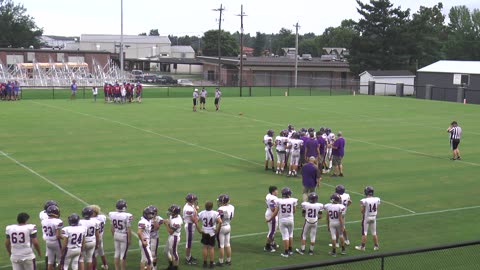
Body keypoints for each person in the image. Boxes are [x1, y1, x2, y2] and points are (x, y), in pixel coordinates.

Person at [267, 187, 298, 258]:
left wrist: (270, 219)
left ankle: (286, 252)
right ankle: (290, 250)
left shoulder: (279, 201)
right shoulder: (293, 200)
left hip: (282, 220)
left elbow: (275, 212)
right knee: (290, 235)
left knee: (285, 236)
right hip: (290, 219)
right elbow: (294, 211)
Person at [108, 199, 133, 270]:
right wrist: (129, 240)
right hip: (124, 235)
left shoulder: (112, 214)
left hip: (116, 234)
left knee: (117, 253)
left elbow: (112, 227)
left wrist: (114, 235)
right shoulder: (127, 215)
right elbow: (128, 229)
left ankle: (116, 268)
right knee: (123, 255)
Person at [197, 201, 222, 268]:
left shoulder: (201, 213)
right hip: (212, 233)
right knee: (211, 248)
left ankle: (204, 263)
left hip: (204, 232)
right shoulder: (215, 213)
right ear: (212, 206)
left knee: (205, 247)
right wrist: (217, 229)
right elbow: (220, 222)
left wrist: (199, 229)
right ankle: (211, 264)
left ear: (205, 206)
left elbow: (196, 221)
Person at [355, 186, 381, 251]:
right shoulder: (377, 199)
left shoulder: (364, 200)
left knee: (364, 232)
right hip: (374, 217)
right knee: (374, 232)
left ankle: (362, 247)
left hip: (367, 218)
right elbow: (376, 208)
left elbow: (362, 211)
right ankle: (376, 246)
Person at [40, 205, 63, 270]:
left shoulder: (43, 221)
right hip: (56, 242)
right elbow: (58, 235)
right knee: (60, 260)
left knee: (50, 261)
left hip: (48, 242)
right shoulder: (58, 221)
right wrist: (65, 237)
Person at [216, 194, 235, 266]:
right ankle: (228, 260)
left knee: (221, 245)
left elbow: (219, 220)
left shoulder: (221, 209)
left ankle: (221, 262)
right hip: (228, 226)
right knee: (228, 244)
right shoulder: (232, 207)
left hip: (222, 227)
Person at [164, 204, 183, 270]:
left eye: (171, 211)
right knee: (166, 251)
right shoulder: (174, 216)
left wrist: (166, 224)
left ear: (175, 213)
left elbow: (171, 231)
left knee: (174, 253)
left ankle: (175, 267)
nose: (170, 212)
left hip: (174, 237)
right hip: (171, 236)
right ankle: (171, 265)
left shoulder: (177, 221)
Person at [90, 205, 109, 270]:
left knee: (94, 255)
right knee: (101, 252)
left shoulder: (92, 220)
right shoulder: (103, 217)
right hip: (100, 236)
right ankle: (105, 265)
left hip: (95, 238)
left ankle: (94, 268)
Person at [183, 193, 199, 265]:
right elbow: (194, 219)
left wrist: (195, 209)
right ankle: (187, 258)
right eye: (194, 200)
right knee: (189, 243)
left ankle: (189, 256)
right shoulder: (188, 208)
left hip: (191, 225)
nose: (195, 201)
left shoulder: (190, 205)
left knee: (190, 242)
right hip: (189, 226)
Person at [264, 186, 279, 252]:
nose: (277, 192)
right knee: (272, 232)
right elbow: (273, 209)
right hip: (272, 216)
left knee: (272, 230)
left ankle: (272, 243)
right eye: (276, 190)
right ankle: (267, 246)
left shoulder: (268, 195)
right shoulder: (273, 198)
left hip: (268, 213)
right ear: (273, 192)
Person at [148, 206, 164, 270]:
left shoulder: (159, 219)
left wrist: (154, 220)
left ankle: (154, 267)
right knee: (147, 253)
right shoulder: (145, 218)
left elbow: (156, 228)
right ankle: (148, 265)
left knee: (153, 254)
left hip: (154, 238)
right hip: (147, 238)